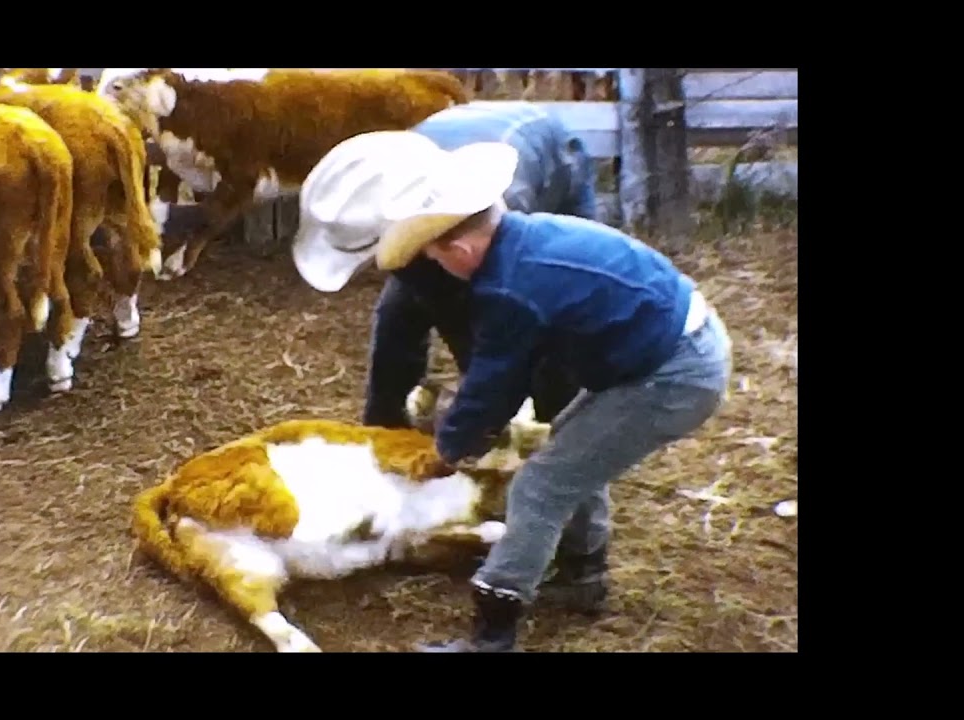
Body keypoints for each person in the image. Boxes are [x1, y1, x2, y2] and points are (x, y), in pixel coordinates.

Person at [292, 130, 733, 652]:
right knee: (569, 452)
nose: (431, 266)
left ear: (459, 250)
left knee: (539, 487)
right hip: (666, 346)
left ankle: (493, 633)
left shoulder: (508, 291)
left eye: (433, 256)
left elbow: (494, 385)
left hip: (671, 373)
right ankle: (582, 575)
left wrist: (448, 448)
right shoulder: (525, 238)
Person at [292, 103, 615, 614]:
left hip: (551, 159)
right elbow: (413, 306)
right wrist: (391, 440)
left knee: (556, 368)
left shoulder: (496, 216)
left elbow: (498, 345)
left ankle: (583, 562)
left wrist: (470, 424)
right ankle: (389, 464)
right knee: (399, 315)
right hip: (438, 210)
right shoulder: (392, 194)